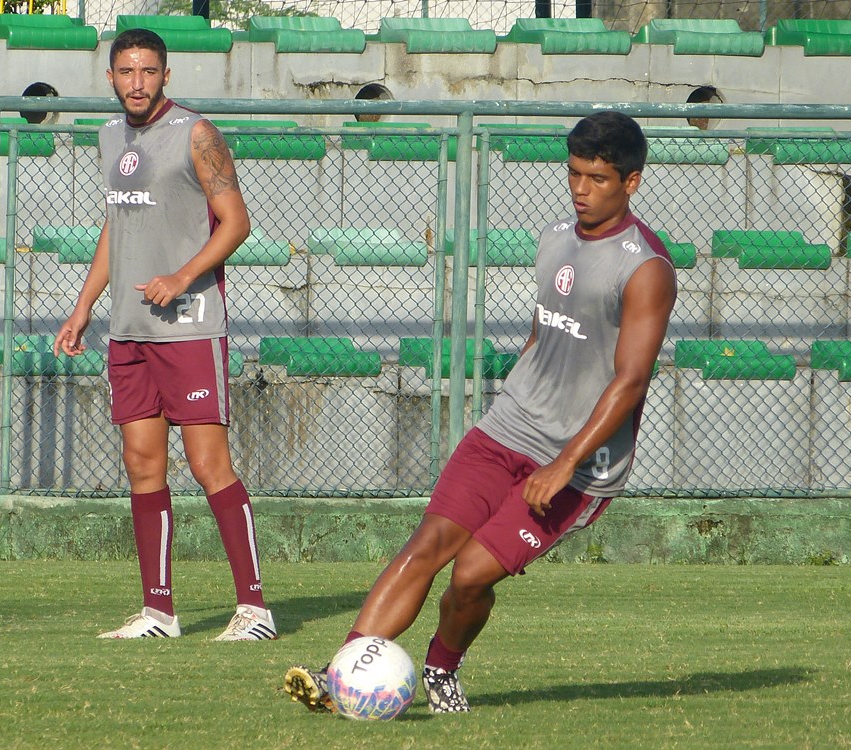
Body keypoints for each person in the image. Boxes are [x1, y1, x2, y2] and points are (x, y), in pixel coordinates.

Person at [284, 111, 676, 712]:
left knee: (470, 575)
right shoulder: (554, 239)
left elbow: (630, 381)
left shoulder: (645, 267)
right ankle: (341, 676)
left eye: (597, 179)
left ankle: (442, 667)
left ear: (631, 183)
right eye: (573, 174)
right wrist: (516, 395)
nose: (580, 188)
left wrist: (564, 464)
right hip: (508, 428)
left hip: (581, 461)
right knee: (426, 545)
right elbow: (545, 335)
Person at [53, 28, 276, 642]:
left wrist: (182, 277)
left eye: (148, 71)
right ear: (111, 78)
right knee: (141, 465)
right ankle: (159, 613)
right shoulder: (108, 137)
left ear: (166, 75)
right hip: (129, 332)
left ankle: (254, 610)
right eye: (126, 72)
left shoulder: (197, 134)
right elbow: (115, 228)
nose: (137, 83)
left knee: (209, 467)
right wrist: (82, 307)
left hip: (189, 329)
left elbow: (237, 223)